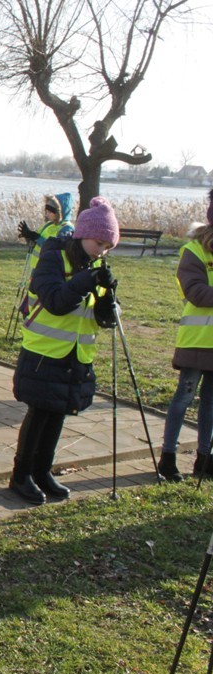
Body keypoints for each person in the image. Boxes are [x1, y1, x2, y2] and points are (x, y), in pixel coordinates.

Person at [9, 197, 120, 505]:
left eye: (108, 246)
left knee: (58, 412)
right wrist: (86, 281)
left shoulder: (93, 265)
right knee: (40, 412)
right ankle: (21, 475)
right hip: (45, 351)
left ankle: (43, 471)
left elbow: (101, 317)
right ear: (83, 234)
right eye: (99, 243)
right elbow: (56, 301)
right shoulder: (54, 256)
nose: (102, 251)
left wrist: (109, 299)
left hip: (75, 353)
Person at [160, 190, 213, 481]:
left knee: (211, 402)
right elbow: (195, 292)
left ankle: (204, 458)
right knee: (184, 396)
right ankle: (168, 457)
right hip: (196, 340)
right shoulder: (193, 251)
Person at [17, 193, 75, 271]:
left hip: (50, 269)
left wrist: (36, 237)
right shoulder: (49, 225)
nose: (46, 214)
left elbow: (57, 246)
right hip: (37, 266)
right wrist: (28, 235)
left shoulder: (66, 228)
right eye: (46, 211)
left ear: (58, 213)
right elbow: (35, 243)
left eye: (50, 212)